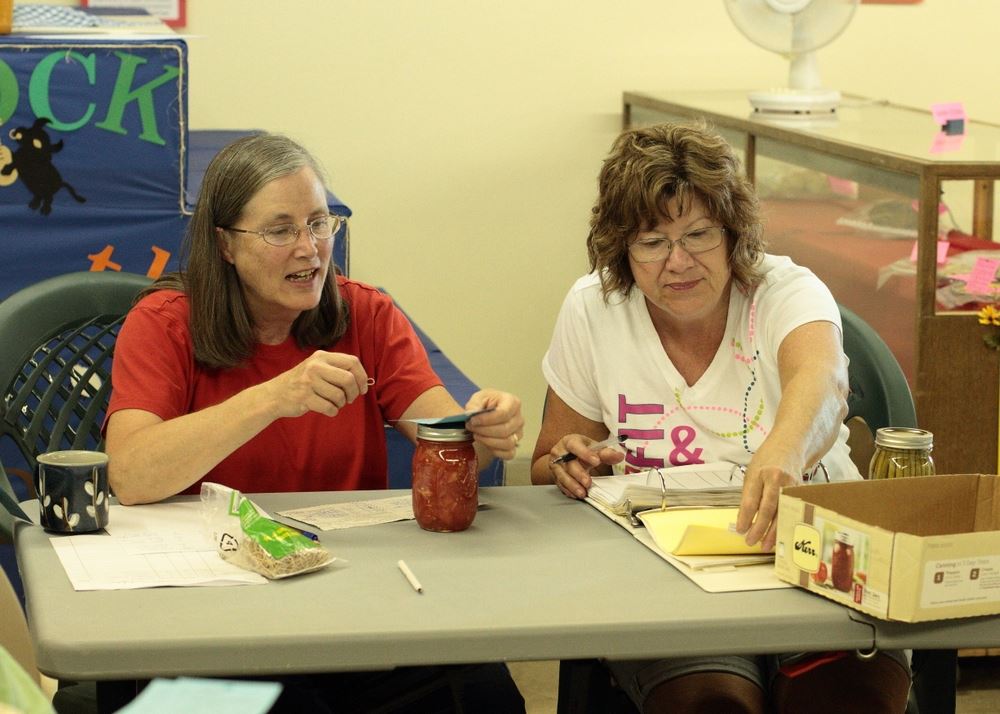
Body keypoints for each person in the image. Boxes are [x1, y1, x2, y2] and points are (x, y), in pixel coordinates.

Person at [104, 132, 526, 713]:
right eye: (281, 231)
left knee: (486, 697)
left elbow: (447, 440)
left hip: (352, 598)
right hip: (208, 616)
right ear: (225, 243)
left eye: (320, 224)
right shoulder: (165, 323)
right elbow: (130, 475)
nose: (310, 249)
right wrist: (272, 397)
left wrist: (484, 431)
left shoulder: (368, 314)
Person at [530, 122, 911, 713]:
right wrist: (571, 462)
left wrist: (783, 454)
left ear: (734, 234)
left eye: (699, 235)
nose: (677, 262)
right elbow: (547, 458)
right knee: (714, 705)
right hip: (667, 577)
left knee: (841, 702)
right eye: (652, 242)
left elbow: (825, 381)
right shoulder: (595, 305)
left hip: (811, 561)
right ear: (622, 250)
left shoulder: (785, 289)